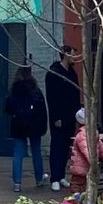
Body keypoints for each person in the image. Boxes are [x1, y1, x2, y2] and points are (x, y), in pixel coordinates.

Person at [3, 65, 49, 193]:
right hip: (34, 126)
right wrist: (43, 126)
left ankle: (17, 183)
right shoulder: (35, 90)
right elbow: (42, 110)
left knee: (18, 154)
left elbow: (7, 108)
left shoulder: (14, 90)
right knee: (36, 152)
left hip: (18, 125)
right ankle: (39, 179)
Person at [44, 48, 82, 191]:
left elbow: (75, 94)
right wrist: (56, 117)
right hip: (59, 117)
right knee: (57, 146)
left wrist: (78, 113)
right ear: (65, 55)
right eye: (72, 53)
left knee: (66, 146)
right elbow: (52, 98)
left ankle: (61, 176)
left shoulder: (72, 73)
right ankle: (54, 177)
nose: (74, 57)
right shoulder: (54, 73)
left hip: (70, 116)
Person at [69, 108, 103, 195]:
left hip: (80, 169)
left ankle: (77, 200)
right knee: (88, 187)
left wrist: (93, 161)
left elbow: (87, 150)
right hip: (91, 169)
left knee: (76, 186)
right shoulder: (94, 133)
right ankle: (85, 200)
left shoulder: (81, 135)